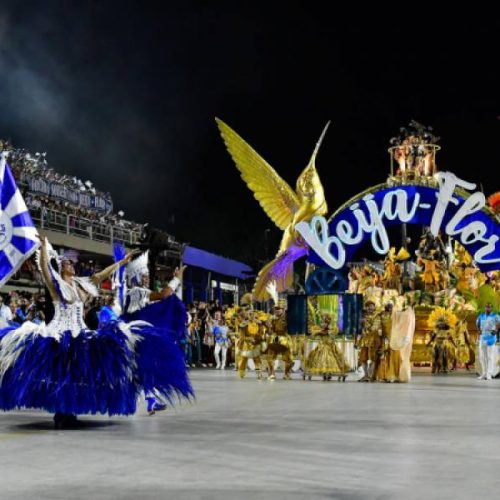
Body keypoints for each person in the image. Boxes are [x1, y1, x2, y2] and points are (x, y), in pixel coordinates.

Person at [0, 238, 192, 428]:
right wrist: (42, 248)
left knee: (77, 375)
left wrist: (120, 263)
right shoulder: (56, 285)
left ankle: (70, 410)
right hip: (60, 335)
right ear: (61, 268)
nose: (72, 265)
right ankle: (61, 412)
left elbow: (100, 276)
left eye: (72, 263)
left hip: (80, 333)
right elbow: (44, 268)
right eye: (68, 263)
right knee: (62, 374)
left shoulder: (79, 285)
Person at [121, 251, 189, 414]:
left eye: (147, 275)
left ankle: (150, 400)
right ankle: (139, 400)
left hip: (136, 335)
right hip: (140, 336)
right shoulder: (137, 292)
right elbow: (164, 295)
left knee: (144, 367)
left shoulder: (134, 293)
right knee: (141, 368)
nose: (147, 278)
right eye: (144, 275)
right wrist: (176, 279)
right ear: (136, 276)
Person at [476, 303, 500, 380]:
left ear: (491, 308)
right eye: (486, 307)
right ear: (485, 308)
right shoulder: (481, 316)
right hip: (482, 338)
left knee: (490, 357)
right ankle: (484, 373)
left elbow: (499, 324)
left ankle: (489, 374)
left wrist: (496, 331)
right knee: (482, 357)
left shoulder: (495, 316)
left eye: (489, 307)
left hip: (491, 338)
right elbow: (477, 323)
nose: (487, 308)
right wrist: (479, 330)